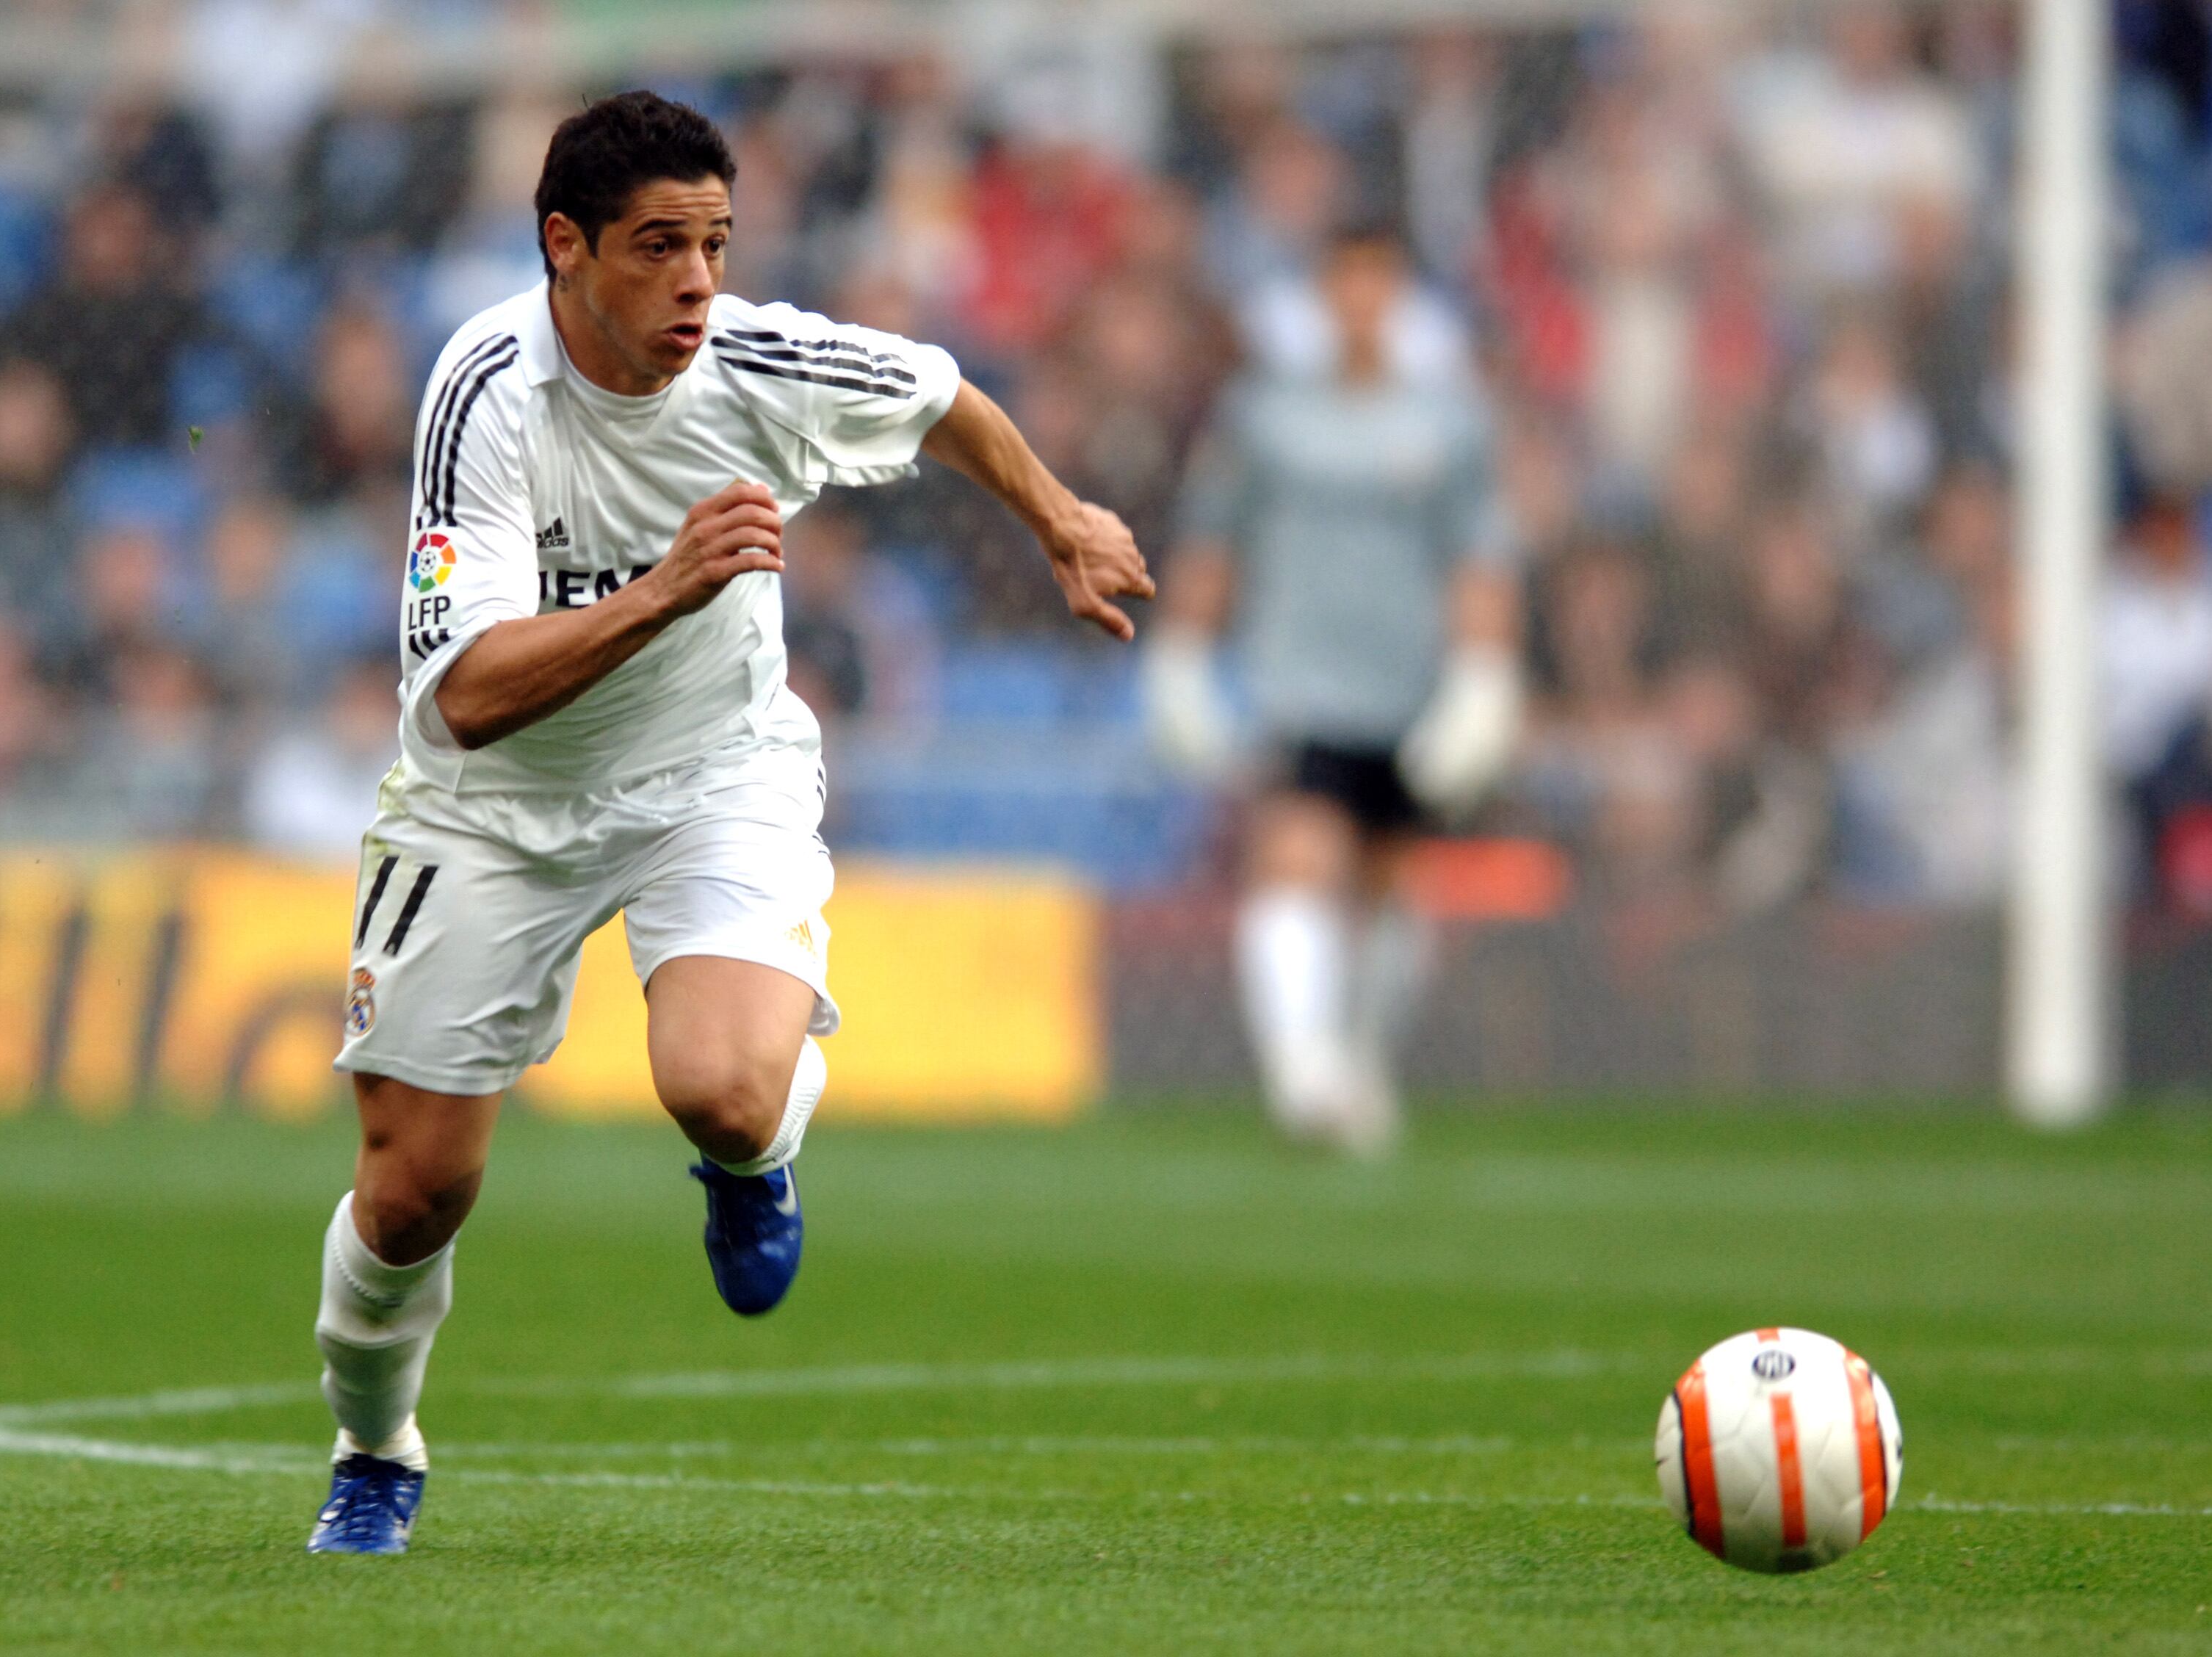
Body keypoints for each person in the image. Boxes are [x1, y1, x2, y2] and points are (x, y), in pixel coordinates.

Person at [304, 91, 1150, 1555]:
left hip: (712, 773)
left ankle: (754, 1165)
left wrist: (1057, 515)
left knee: (722, 1088)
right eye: (656, 248)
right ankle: (377, 1444)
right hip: (493, 809)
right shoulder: (483, 392)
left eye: (713, 243)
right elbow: (467, 704)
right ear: (564, 248)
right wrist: (665, 589)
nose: (696, 282)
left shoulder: (760, 362)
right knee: (414, 1188)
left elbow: (942, 396)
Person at [1146, 222, 1520, 1157]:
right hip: (1298, 681)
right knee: (1298, 856)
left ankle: (1359, 1060)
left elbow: (1477, 557)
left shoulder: (1450, 420)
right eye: (1345, 281)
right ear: (1322, 294)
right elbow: (1213, 541)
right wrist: (1183, 658)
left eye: (1379, 281)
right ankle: (1302, 1072)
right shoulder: (1264, 415)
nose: (1362, 301)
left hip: (1408, 686)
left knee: (1391, 886)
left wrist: (1483, 676)